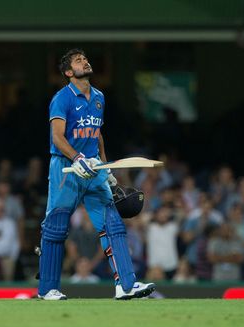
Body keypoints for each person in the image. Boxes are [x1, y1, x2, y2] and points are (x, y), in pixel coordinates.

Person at [37, 48, 155, 300]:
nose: (85, 61)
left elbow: (97, 134)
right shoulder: (62, 98)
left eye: (86, 58)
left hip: (93, 168)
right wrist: (76, 157)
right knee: (56, 226)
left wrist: (106, 168)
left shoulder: (99, 97)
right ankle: (47, 289)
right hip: (66, 168)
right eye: (79, 61)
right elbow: (57, 137)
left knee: (113, 223)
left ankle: (125, 285)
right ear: (69, 72)